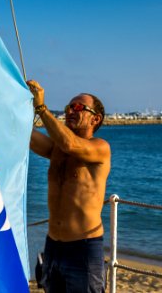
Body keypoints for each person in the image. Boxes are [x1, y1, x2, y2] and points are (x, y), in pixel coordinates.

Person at [27, 79, 111, 293]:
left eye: (78, 107)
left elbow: (70, 144)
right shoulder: (57, 150)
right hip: (53, 245)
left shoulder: (100, 148)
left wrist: (41, 108)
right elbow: (26, 136)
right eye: (68, 107)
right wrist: (18, 103)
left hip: (82, 248)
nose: (71, 111)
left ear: (96, 118)